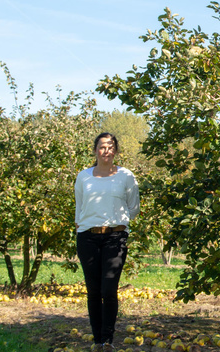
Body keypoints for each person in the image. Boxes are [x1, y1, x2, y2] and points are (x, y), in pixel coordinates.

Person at [74, 132, 140, 352]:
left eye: (111, 147)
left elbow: (134, 208)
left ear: (116, 150)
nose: (106, 151)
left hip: (115, 237)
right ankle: (97, 341)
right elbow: (79, 208)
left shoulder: (126, 176)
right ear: (95, 150)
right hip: (88, 237)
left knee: (109, 289)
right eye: (102, 147)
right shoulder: (83, 177)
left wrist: (117, 221)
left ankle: (108, 340)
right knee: (93, 290)